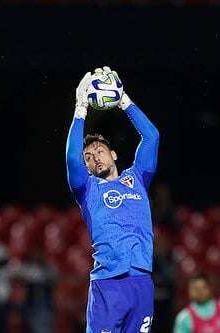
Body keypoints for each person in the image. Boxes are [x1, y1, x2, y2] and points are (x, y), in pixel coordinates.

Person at [66, 66, 160, 332]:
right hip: (108, 285)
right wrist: (81, 108)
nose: (95, 156)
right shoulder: (87, 189)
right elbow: (72, 158)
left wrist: (124, 102)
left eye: (100, 150)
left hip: (141, 282)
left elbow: (151, 137)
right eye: (89, 157)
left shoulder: (138, 177)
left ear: (114, 154)